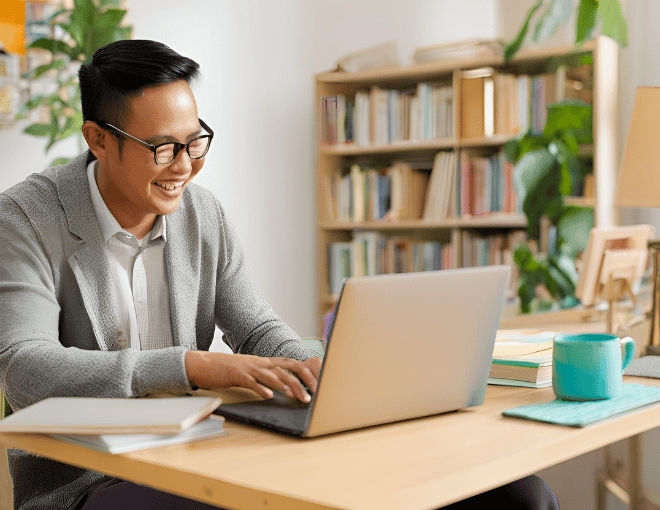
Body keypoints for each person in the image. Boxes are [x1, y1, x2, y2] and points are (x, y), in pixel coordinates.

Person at [0, 40, 558, 510]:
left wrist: (319, 365)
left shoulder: (202, 213)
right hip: (89, 480)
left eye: (196, 141)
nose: (185, 166)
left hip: (204, 450)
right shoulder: (27, 218)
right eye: (163, 148)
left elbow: (258, 330)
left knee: (518, 497)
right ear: (98, 139)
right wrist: (191, 365)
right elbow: (25, 367)